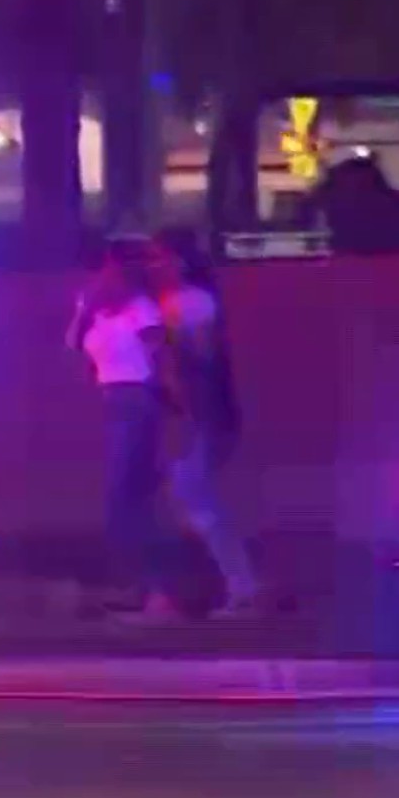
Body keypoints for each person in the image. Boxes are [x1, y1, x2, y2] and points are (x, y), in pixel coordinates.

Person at [147, 229, 262, 618]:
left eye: (161, 258)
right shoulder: (187, 303)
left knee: (195, 497)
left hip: (204, 417)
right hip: (202, 417)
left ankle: (241, 586)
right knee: (192, 496)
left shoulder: (188, 304)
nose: (155, 266)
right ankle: (232, 584)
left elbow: (193, 361)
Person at [68, 237, 181, 617]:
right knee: (126, 498)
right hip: (114, 400)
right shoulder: (93, 309)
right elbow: (74, 343)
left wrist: (169, 399)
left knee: (126, 497)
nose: (103, 276)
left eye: (110, 269)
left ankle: (155, 587)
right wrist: (87, 309)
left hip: (137, 400)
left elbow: (159, 355)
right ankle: (143, 586)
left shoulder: (141, 308)